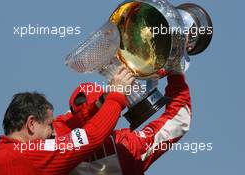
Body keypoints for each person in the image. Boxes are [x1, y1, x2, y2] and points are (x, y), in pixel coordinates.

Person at [0, 66, 135, 175]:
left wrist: (100, 103)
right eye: (49, 126)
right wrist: (116, 96)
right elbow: (90, 138)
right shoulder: (29, 155)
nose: (54, 133)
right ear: (31, 124)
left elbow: (64, 126)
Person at [53, 66, 192, 175]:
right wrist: (175, 70)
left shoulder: (52, 144)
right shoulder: (127, 148)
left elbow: (63, 124)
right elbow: (180, 119)